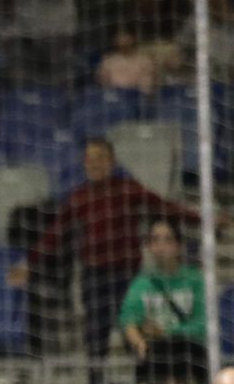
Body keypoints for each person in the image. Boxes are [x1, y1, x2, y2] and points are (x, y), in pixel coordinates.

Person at [14, 137, 195, 359]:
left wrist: (204, 219)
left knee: (136, 334)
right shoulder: (79, 197)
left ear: (112, 161)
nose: (94, 163)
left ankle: (142, 382)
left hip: (128, 278)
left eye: (100, 157)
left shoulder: (128, 190)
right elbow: (55, 234)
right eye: (89, 158)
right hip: (95, 279)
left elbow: (166, 207)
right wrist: (30, 263)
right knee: (95, 338)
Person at [120, 218, 211, 384]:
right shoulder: (142, 284)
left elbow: (202, 324)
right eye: (155, 240)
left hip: (189, 355)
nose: (161, 246)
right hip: (157, 357)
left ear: (179, 246)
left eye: (167, 240)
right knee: (150, 356)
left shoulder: (195, 280)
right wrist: (140, 342)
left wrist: (163, 331)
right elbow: (128, 320)